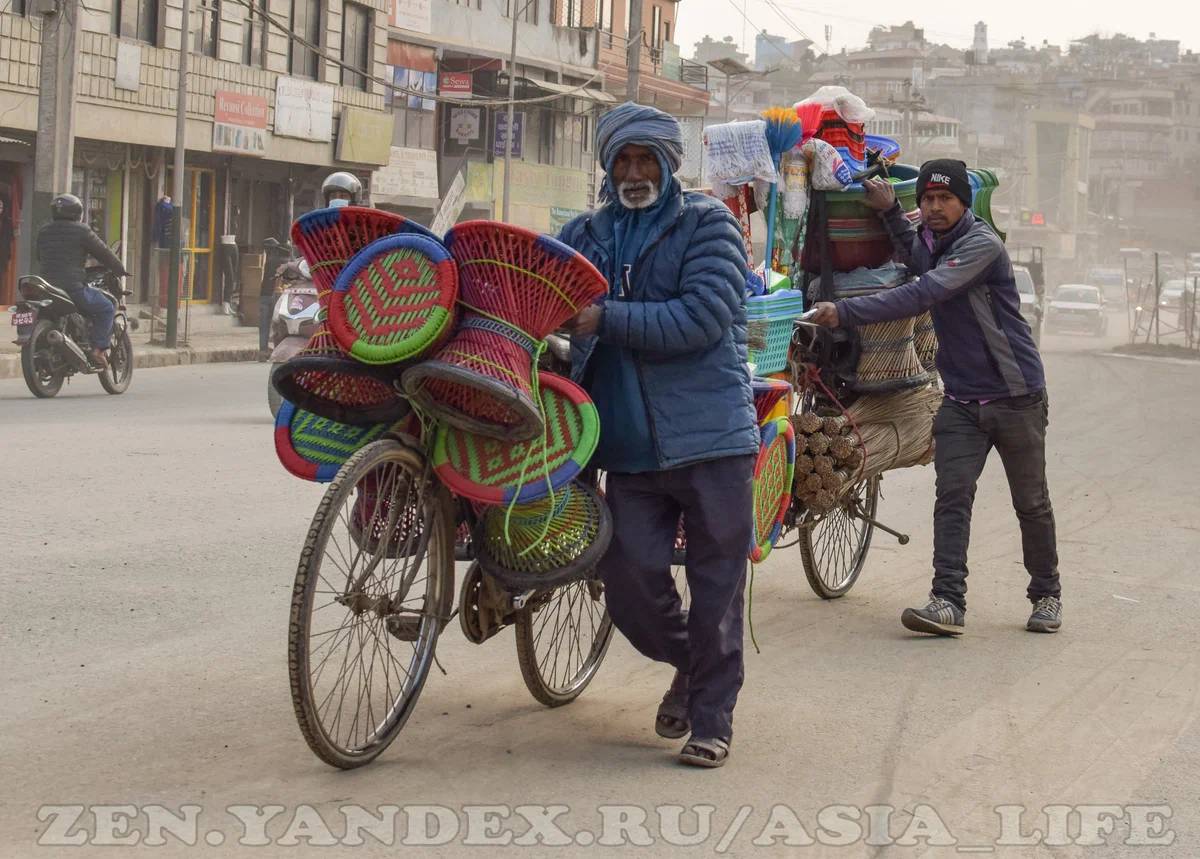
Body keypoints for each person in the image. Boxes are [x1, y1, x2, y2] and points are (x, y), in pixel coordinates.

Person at [558, 103, 760, 768]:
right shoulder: (584, 233)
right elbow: (550, 308)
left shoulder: (708, 225)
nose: (635, 171)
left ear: (670, 165)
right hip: (628, 452)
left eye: (647, 159)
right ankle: (697, 667)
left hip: (712, 443)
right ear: (608, 165)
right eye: (624, 160)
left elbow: (702, 317)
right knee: (630, 587)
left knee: (715, 589)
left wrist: (604, 319)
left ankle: (712, 722)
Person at [807, 159, 1061, 636]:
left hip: (1015, 395)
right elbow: (915, 255)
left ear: (964, 202)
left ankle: (1046, 594)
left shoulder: (982, 245)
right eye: (926, 199)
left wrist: (843, 311)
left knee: (1031, 502)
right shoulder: (930, 240)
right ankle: (947, 601)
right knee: (952, 499)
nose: (935, 207)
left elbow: (921, 291)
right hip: (962, 400)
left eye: (945, 198)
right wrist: (889, 212)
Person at [36, 193, 129, 366]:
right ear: (76, 212)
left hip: (46, 287)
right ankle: (98, 349)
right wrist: (120, 269)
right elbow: (104, 252)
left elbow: (39, 257)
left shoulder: (44, 231)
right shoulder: (81, 230)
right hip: (72, 287)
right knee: (106, 307)